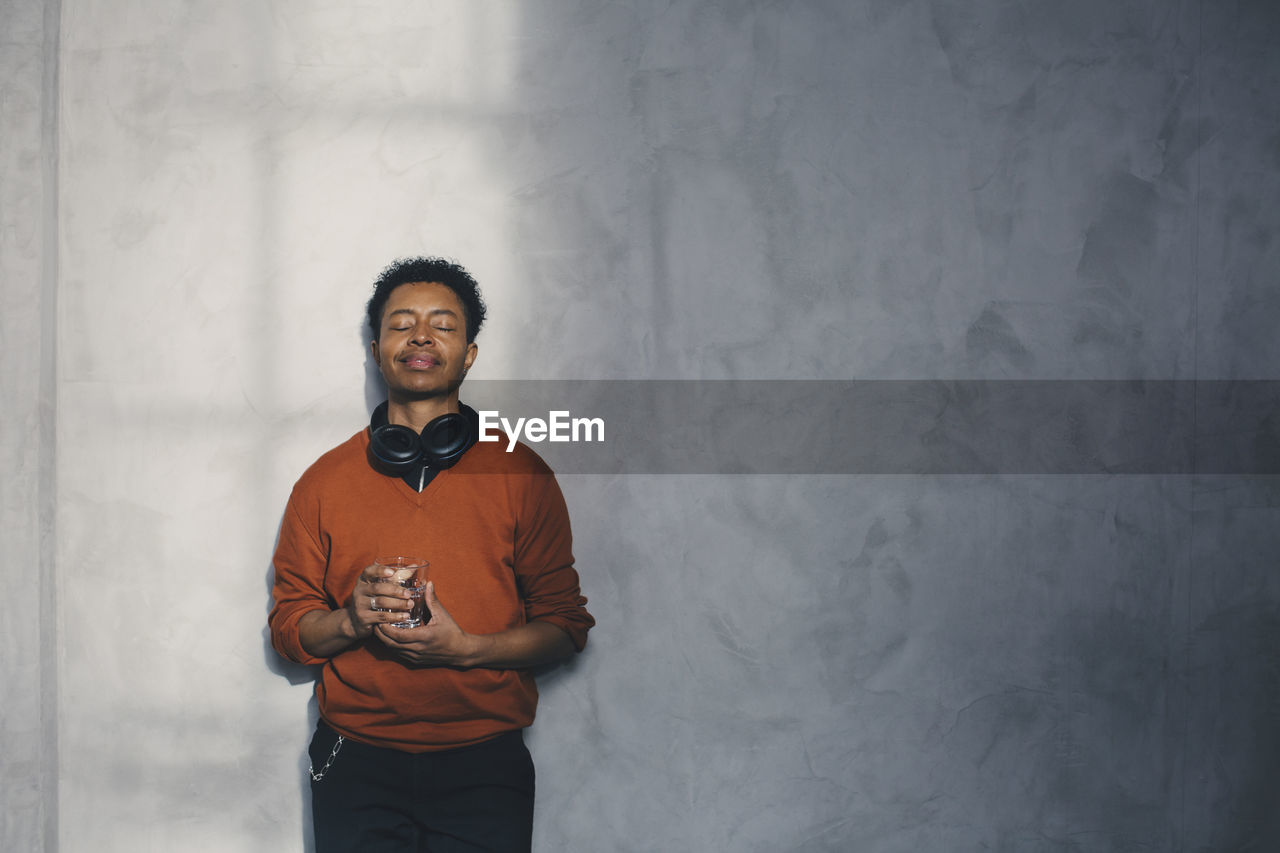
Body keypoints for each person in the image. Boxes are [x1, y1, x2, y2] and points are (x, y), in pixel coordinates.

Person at [268, 257, 594, 852]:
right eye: (402, 324)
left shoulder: (522, 472)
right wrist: (349, 620)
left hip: (484, 763)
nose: (421, 336)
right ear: (376, 350)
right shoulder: (321, 482)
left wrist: (469, 650)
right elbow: (289, 634)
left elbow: (566, 626)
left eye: (443, 325)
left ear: (468, 354)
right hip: (354, 760)